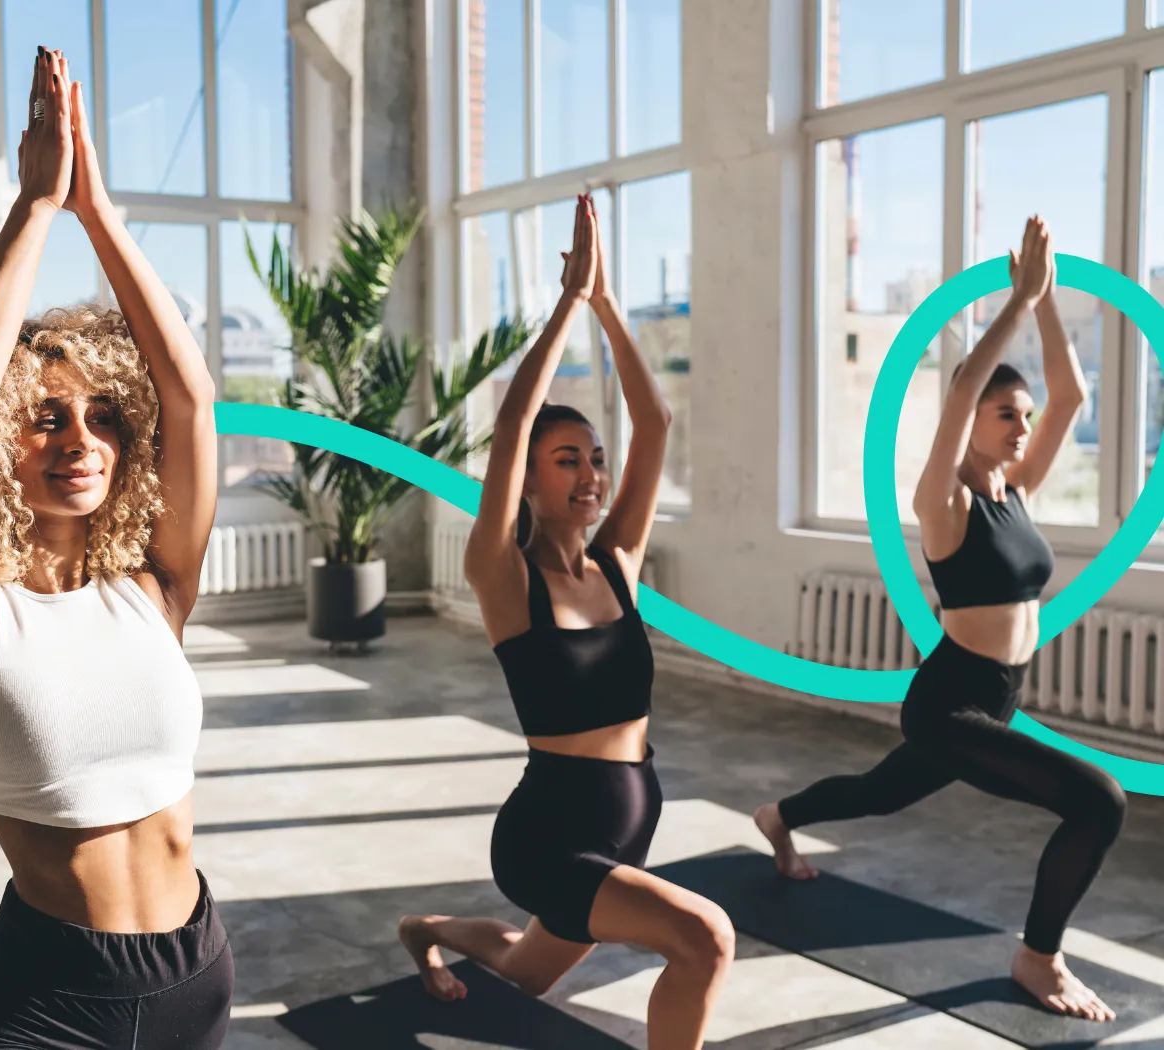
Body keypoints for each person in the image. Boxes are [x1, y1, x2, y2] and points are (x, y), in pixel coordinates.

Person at [0, 48, 230, 1048]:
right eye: (43, 419)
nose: (80, 439)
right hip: (49, 1005)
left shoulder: (153, 591)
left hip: (195, 969)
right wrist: (34, 209)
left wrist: (96, 209)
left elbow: (193, 396)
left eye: (103, 416)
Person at [755, 216, 1127, 1022]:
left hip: (997, 696)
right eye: (1007, 416)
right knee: (1100, 802)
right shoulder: (945, 500)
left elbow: (1073, 396)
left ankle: (777, 818)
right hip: (950, 701)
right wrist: (1017, 304)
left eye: (1023, 417)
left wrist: (1051, 301)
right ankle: (1039, 958)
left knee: (878, 793)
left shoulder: (1015, 486)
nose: (1023, 428)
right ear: (972, 422)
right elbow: (959, 390)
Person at [397, 195, 734, 1050]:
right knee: (704, 939)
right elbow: (511, 420)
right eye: (565, 461)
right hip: (548, 838)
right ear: (530, 482)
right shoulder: (504, 576)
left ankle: (428, 930)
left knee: (519, 972)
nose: (588, 474)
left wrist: (610, 305)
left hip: (627, 821)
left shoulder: (616, 562)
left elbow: (655, 423)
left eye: (594, 459)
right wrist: (567, 305)